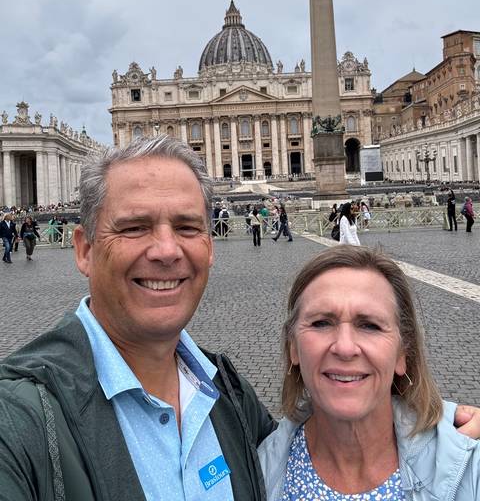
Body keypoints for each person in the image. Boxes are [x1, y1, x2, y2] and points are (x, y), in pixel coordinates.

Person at [0, 136, 275, 500]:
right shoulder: (17, 423)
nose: (166, 251)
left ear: (208, 248)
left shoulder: (231, 393)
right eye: (134, 227)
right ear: (84, 250)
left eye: (187, 227)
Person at [259, 246, 480, 500]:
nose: (344, 347)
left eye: (370, 325)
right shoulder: (255, 473)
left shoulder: (469, 467)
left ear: (402, 353)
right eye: (321, 323)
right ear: (293, 348)